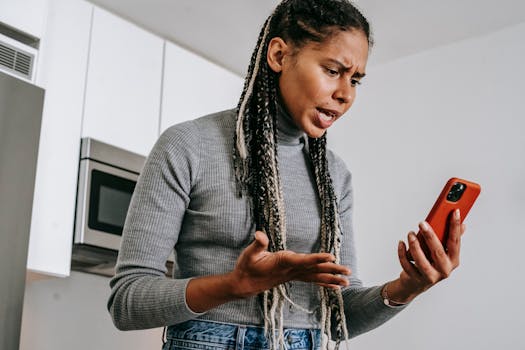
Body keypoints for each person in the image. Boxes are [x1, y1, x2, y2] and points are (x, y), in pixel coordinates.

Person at [107, 0, 465, 349]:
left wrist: (407, 287)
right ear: (279, 55)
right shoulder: (189, 145)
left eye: (356, 80)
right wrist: (235, 284)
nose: (345, 94)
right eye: (333, 70)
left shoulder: (334, 177)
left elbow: (340, 321)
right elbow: (127, 300)